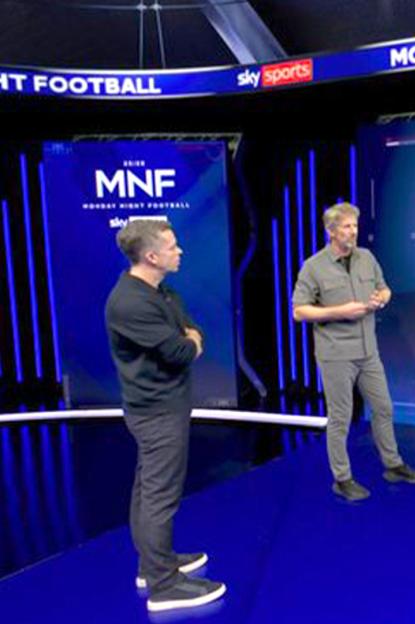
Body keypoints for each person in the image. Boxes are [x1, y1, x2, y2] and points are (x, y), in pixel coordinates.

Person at [105, 219, 226, 612]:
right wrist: (190, 341)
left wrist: (189, 338)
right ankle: (163, 585)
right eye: (173, 246)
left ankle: (152, 563)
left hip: (165, 405)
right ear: (152, 256)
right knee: (159, 497)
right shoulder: (130, 302)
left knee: (148, 491)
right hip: (156, 411)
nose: (181, 251)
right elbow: (180, 350)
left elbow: (189, 329)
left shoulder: (162, 292)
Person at [292, 202, 415, 501]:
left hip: (368, 351)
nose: (353, 232)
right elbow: (299, 312)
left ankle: (393, 465)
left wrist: (383, 297)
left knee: (384, 408)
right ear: (331, 231)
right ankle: (342, 479)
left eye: (355, 226)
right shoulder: (314, 266)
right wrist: (341, 311)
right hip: (336, 353)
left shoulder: (367, 258)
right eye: (346, 227)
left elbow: (384, 288)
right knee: (341, 416)